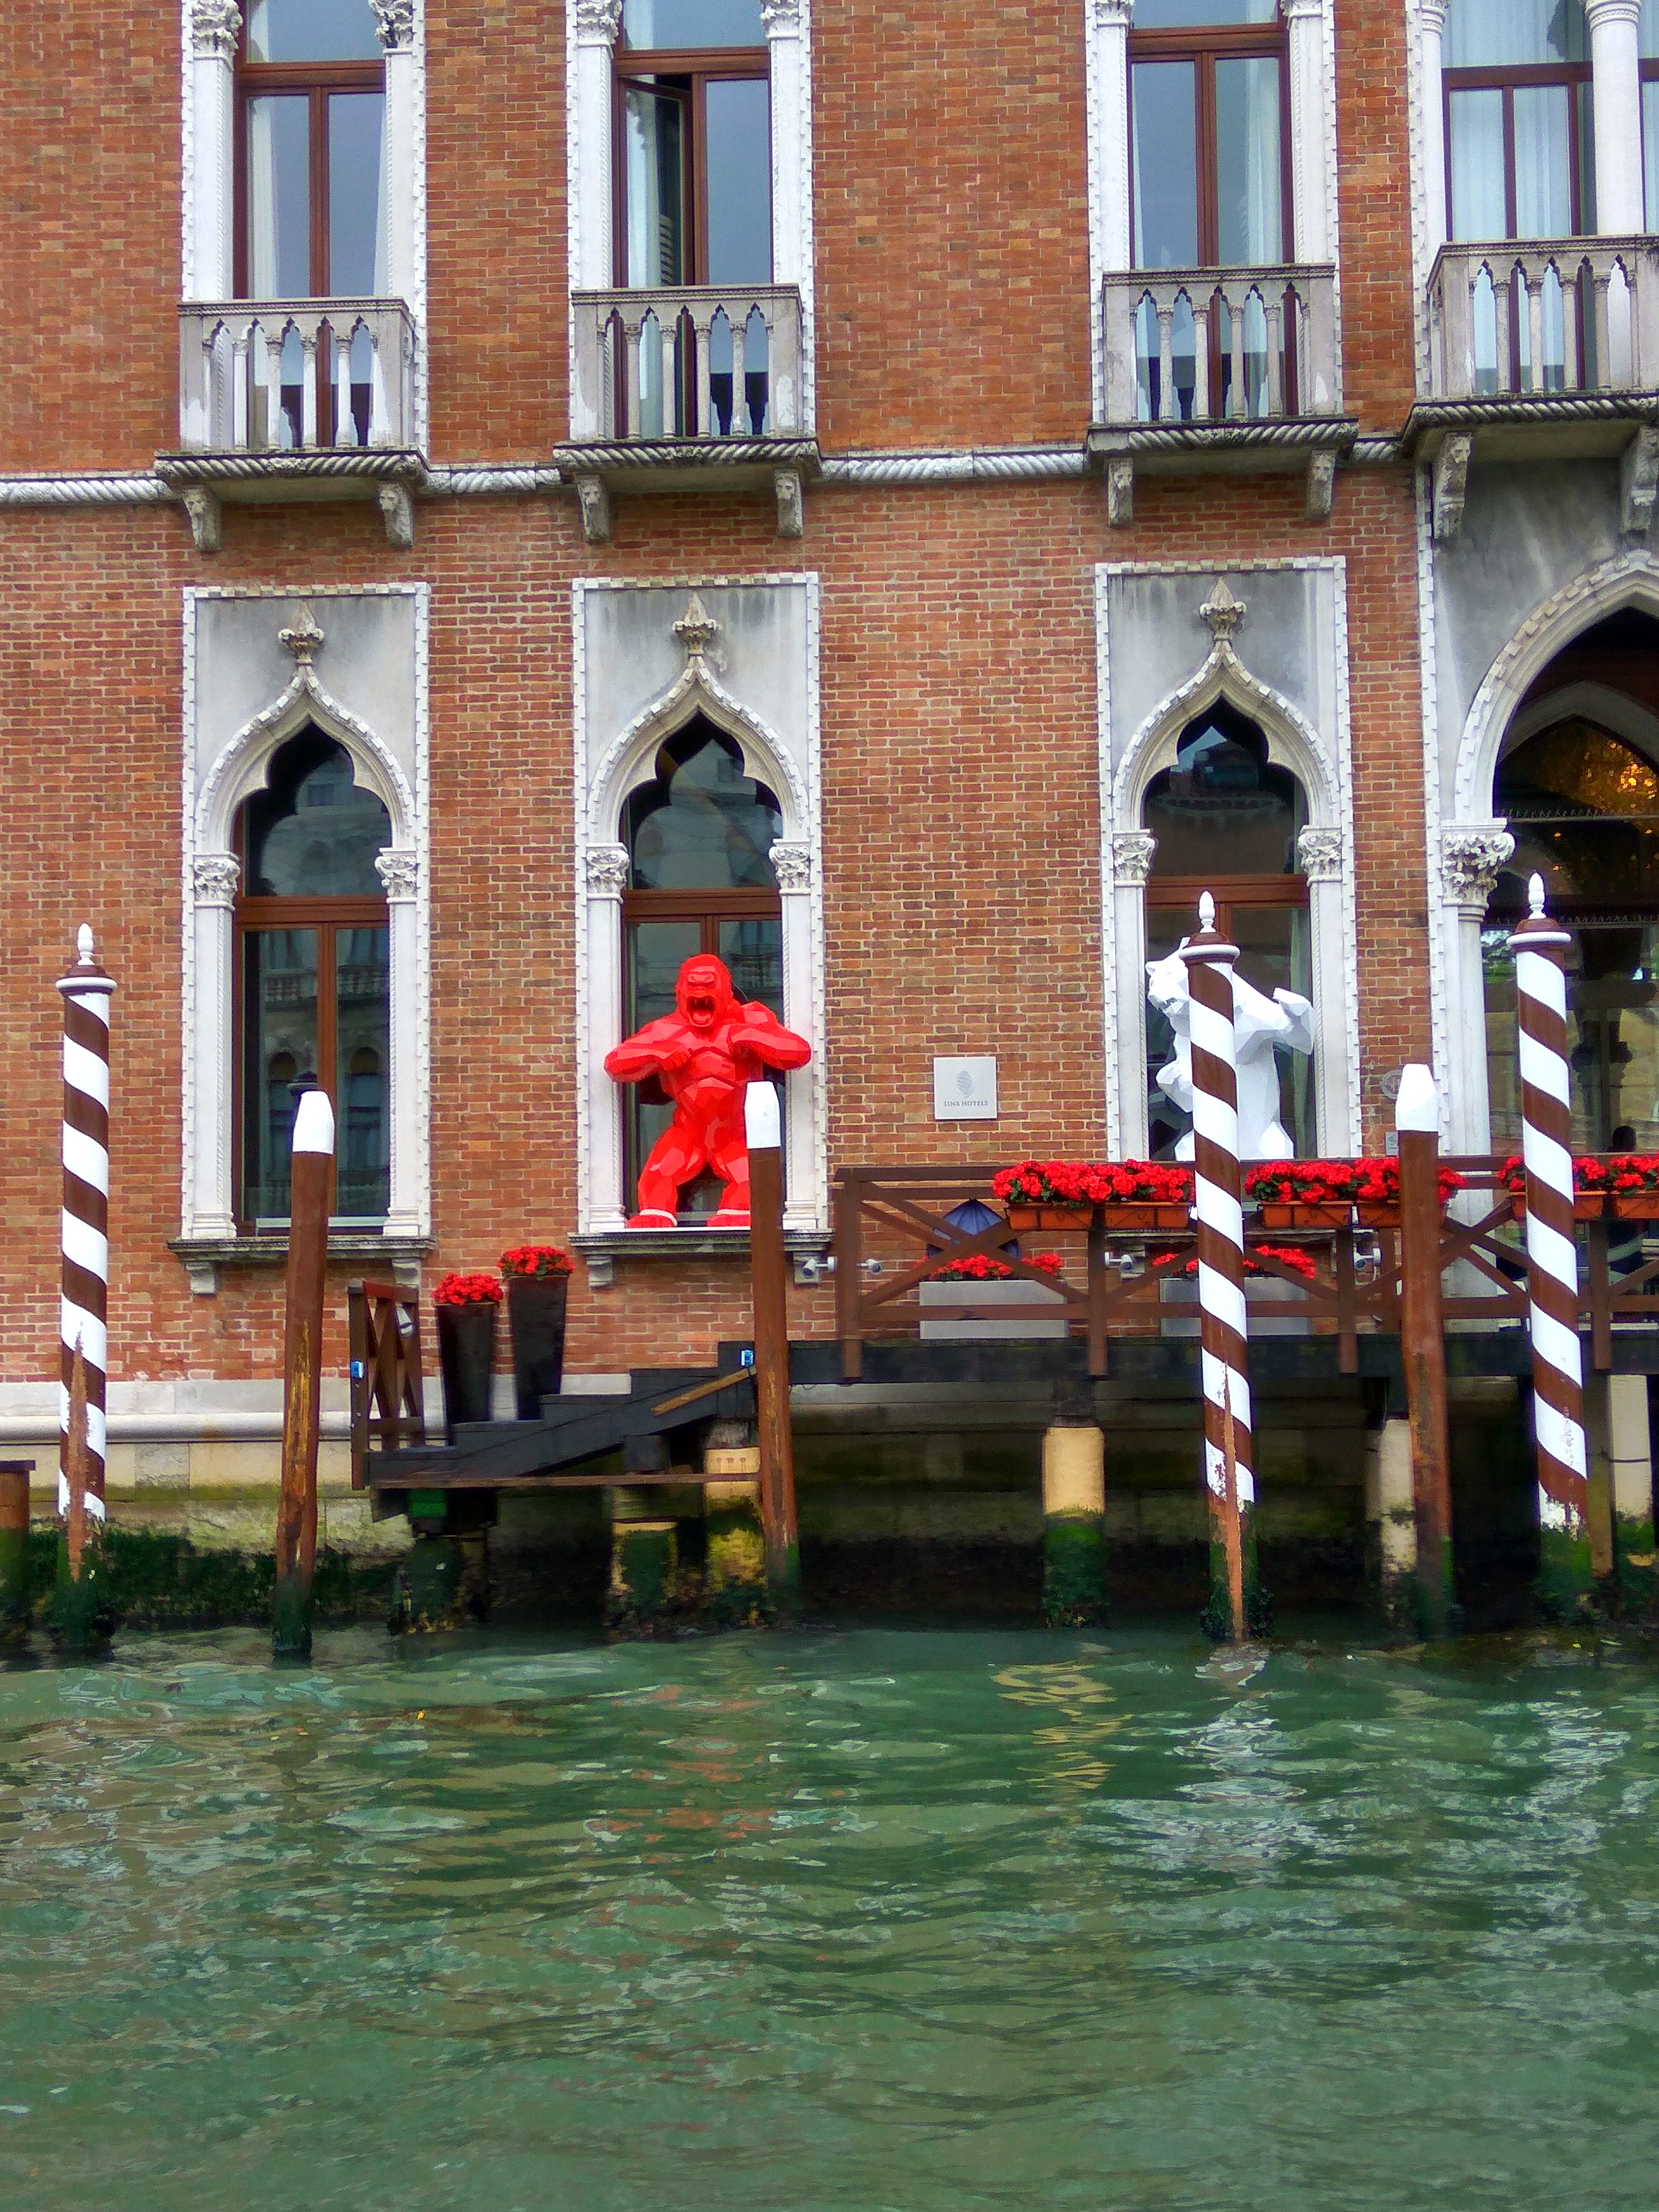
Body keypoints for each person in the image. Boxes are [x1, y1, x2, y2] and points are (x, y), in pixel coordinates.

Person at [604, 953, 811, 1227]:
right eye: (693, 985)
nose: (700, 991)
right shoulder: (665, 1030)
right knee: (656, 1181)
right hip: (688, 1131)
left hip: (735, 1132)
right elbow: (615, 1064)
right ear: (679, 992)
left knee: (749, 1185)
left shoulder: (751, 1019)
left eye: (708, 984)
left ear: (727, 992)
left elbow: (799, 1052)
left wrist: (753, 1037)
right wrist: (657, 1053)